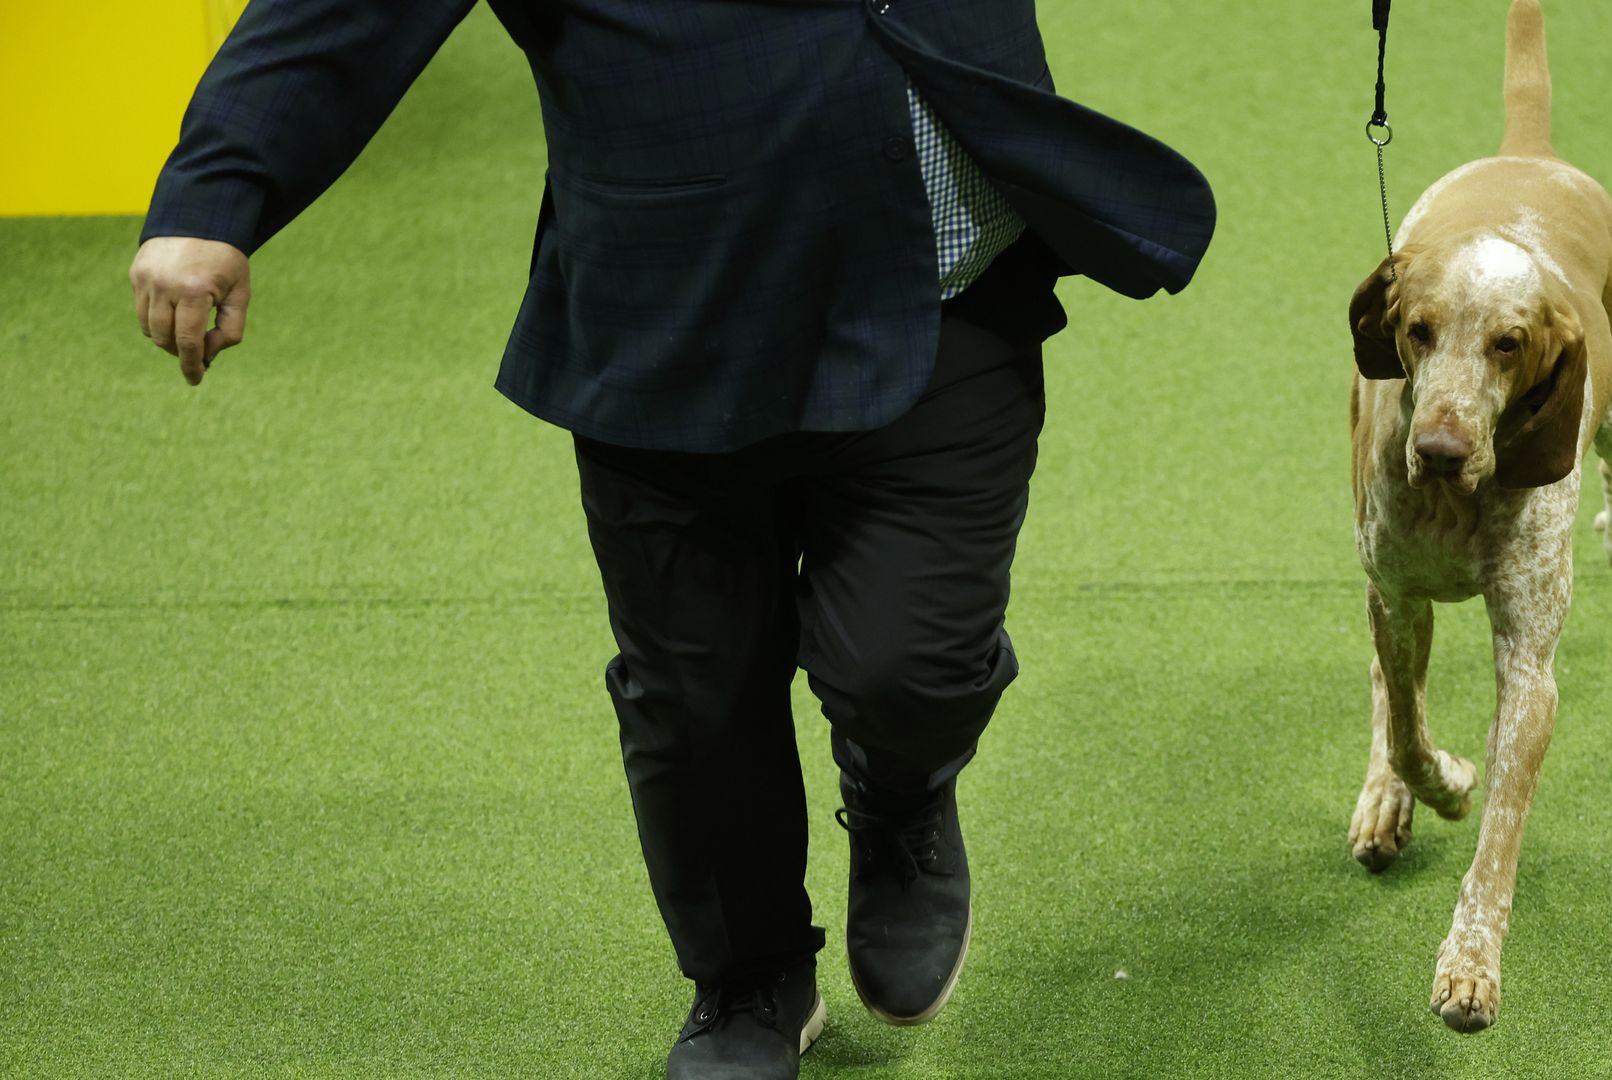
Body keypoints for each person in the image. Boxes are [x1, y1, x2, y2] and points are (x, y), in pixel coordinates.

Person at [129, 2, 1213, 1076]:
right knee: (695, 697)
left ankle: (899, 797)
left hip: (948, 288)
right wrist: (216, 194)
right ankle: (751, 981)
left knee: (910, 667)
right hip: (670, 317)